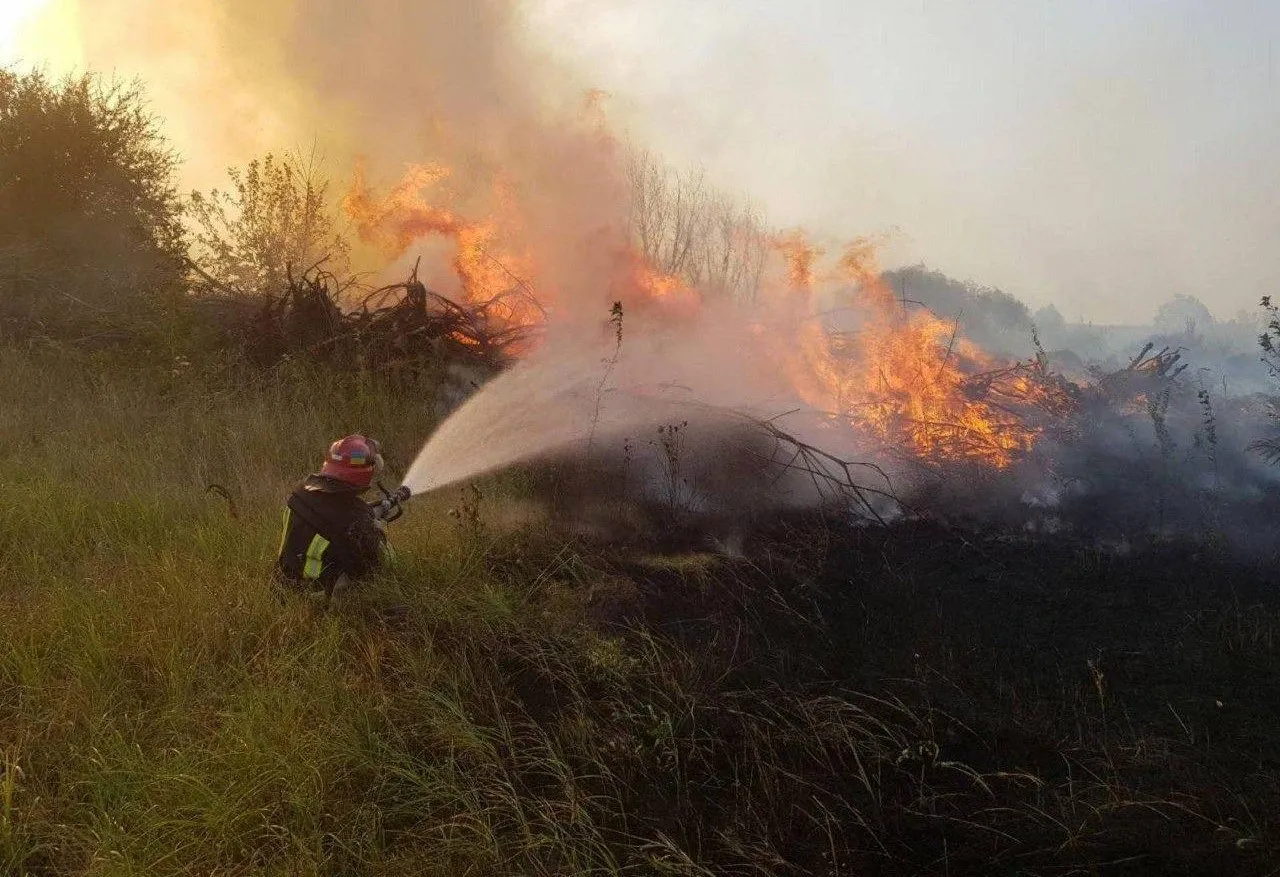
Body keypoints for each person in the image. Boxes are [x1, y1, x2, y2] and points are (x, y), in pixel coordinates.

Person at [275, 434, 396, 600]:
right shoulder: (356, 520)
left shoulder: (300, 493)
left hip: (279, 585)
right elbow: (382, 565)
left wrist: (364, 513)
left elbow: (331, 513)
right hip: (314, 598)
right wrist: (377, 528)